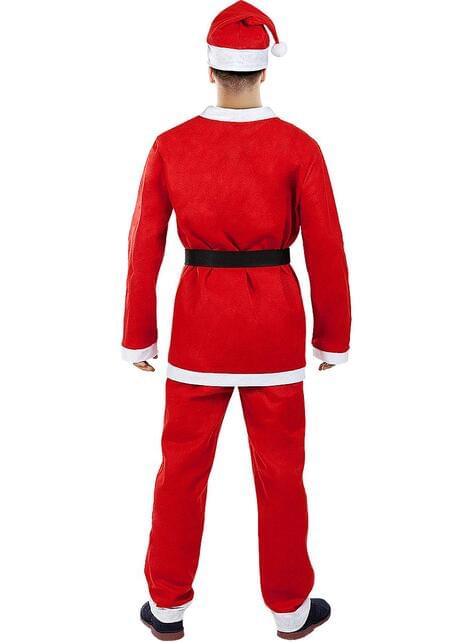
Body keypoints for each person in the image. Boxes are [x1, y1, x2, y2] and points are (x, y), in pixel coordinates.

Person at [122, 1, 351, 639]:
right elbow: (326, 247)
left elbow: (144, 245)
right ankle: (290, 610)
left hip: (198, 327)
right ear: (264, 72)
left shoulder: (171, 145)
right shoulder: (299, 147)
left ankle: (167, 607)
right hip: (274, 327)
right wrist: (331, 338)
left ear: (210, 69)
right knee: (281, 475)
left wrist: (139, 335)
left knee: (181, 469)